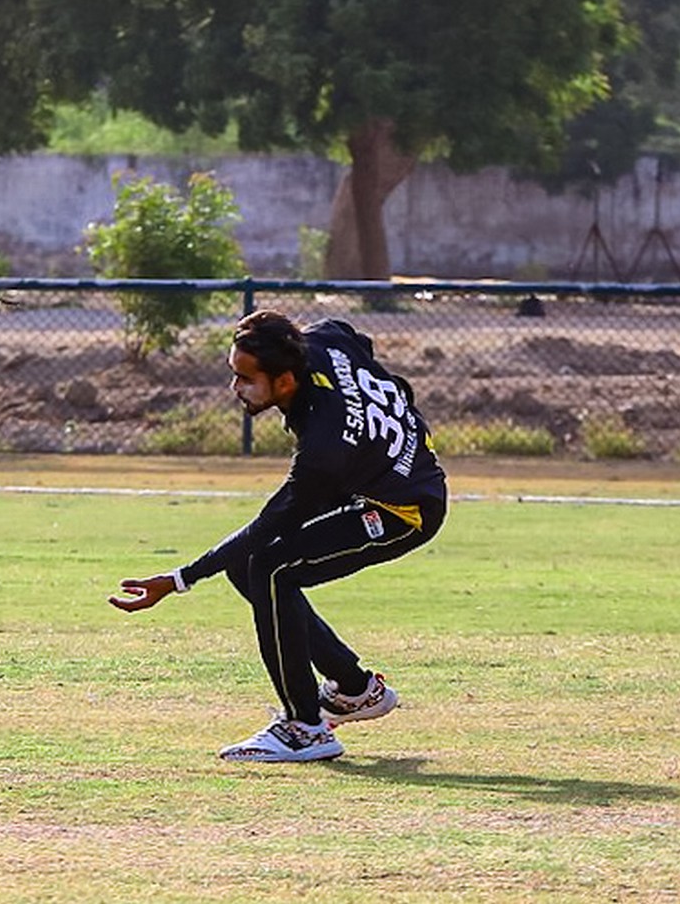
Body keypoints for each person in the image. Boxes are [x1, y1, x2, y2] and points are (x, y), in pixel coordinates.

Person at [109, 309, 447, 762]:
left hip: (403, 511)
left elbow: (268, 526)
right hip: (372, 481)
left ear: (285, 381)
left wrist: (180, 579)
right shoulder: (323, 338)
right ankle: (354, 688)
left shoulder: (323, 449)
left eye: (247, 379)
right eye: (234, 373)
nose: (235, 387)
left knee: (271, 566)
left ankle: (305, 728)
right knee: (248, 565)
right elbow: (354, 338)